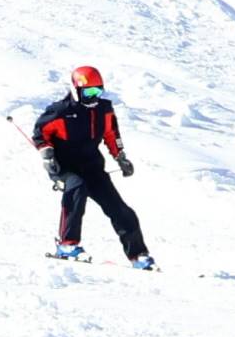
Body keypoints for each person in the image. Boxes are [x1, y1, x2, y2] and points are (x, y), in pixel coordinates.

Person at [31, 65, 154, 268]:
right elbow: (40, 133)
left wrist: (120, 157)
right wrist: (46, 153)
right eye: (89, 92)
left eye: (98, 91)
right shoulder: (61, 111)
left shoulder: (103, 109)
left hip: (93, 167)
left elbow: (111, 134)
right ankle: (67, 245)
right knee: (76, 190)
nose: (94, 96)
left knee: (120, 209)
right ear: (76, 89)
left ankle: (139, 256)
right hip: (65, 167)